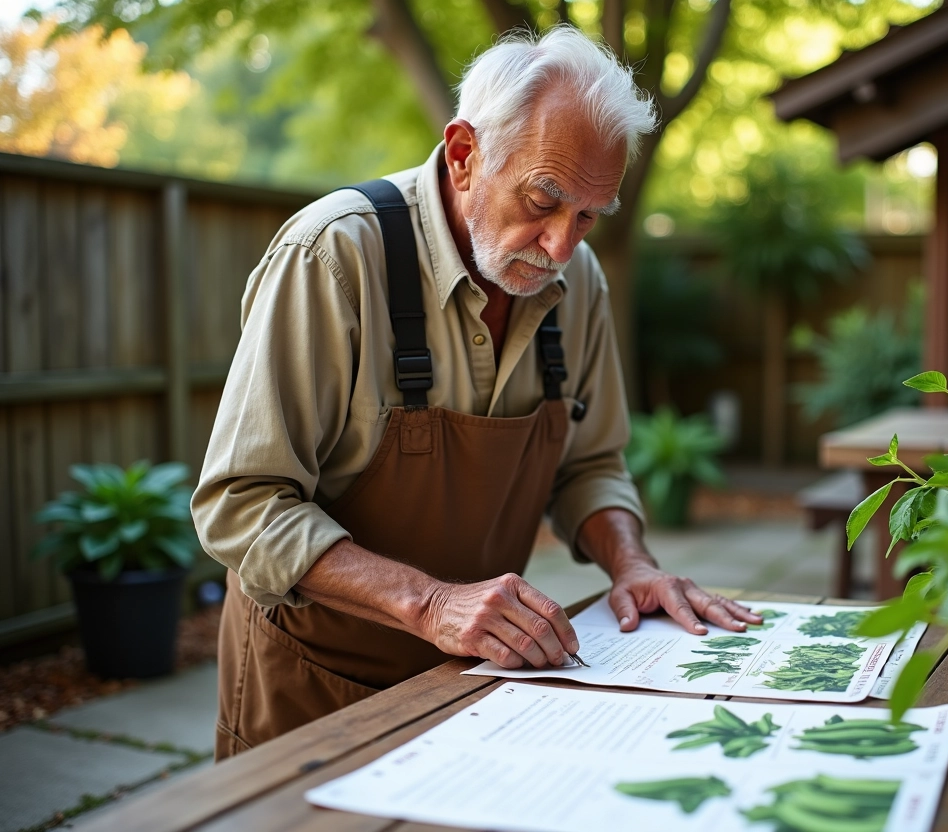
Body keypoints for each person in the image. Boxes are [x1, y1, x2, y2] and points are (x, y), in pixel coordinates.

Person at [192, 25, 761, 760]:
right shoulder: (333, 255)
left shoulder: (578, 283)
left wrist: (632, 564)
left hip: (476, 684)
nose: (560, 246)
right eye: (543, 198)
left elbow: (591, 467)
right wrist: (429, 603)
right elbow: (240, 504)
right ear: (464, 156)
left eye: (588, 215)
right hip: (316, 687)